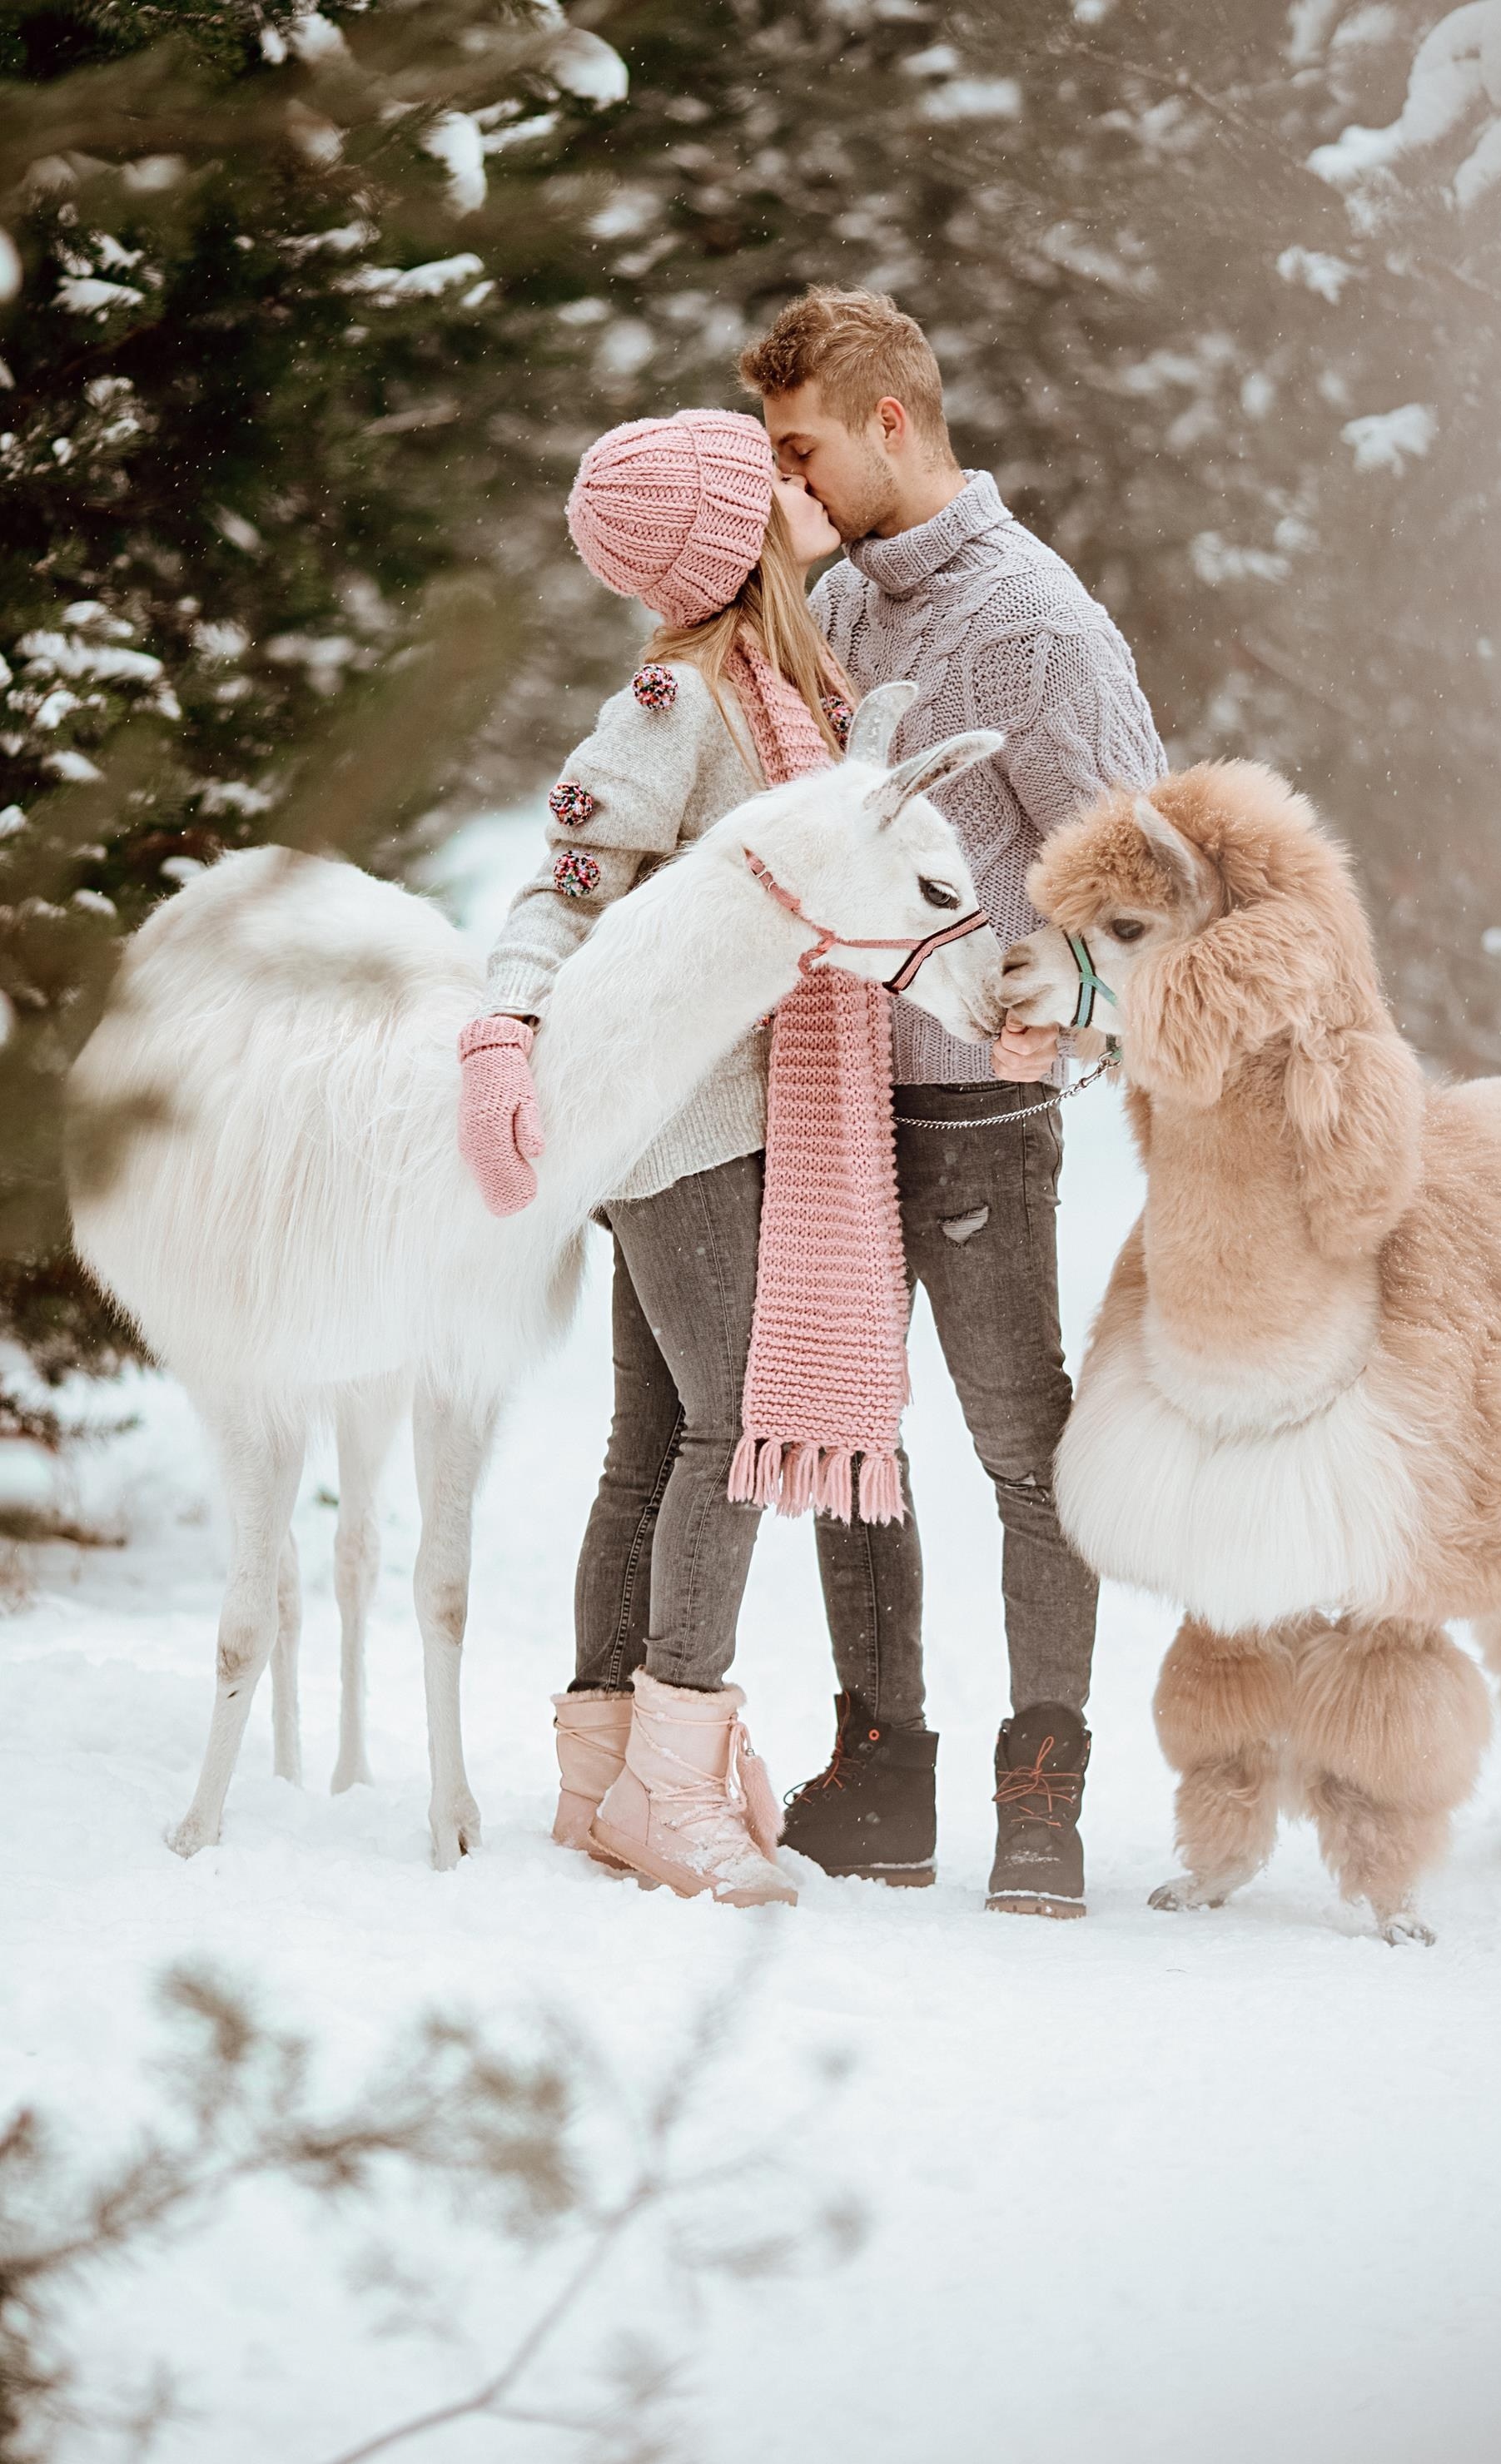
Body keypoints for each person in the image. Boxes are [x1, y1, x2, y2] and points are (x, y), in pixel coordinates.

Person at [739, 287, 1167, 1920]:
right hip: (838, 1101)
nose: (787, 481)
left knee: (1014, 1443)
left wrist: (1064, 998)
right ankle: (881, 1774)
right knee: (853, 1437)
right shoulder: (839, 603)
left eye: (801, 448)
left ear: (889, 423)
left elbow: (1140, 858)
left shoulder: (1034, 622)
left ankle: (1039, 1792)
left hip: (978, 1107)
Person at [455, 408, 850, 1910]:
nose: (796, 491)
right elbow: (566, 881)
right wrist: (506, 1017)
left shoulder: (784, 685)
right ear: (734, 535)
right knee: (734, 1429)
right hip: (676, 1125)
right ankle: (674, 1785)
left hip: (731, 1112)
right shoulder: (674, 700)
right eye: (772, 481)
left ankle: (599, 1768)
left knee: (652, 1438)